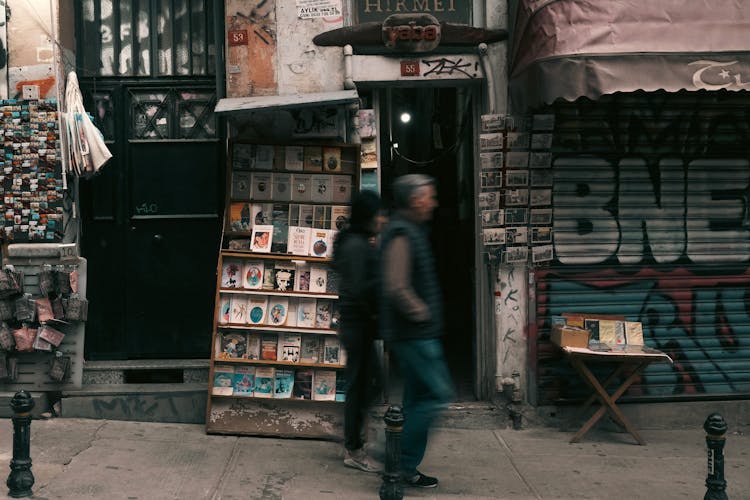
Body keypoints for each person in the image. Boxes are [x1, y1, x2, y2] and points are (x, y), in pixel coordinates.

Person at [380, 174, 455, 489]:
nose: (434, 202)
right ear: (414, 199)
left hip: (416, 333)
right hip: (415, 335)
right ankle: (396, 460)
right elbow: (396, 286)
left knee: (417, 399)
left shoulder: (410, 230)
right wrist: (420, 312)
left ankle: (404, 465)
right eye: (429, 196)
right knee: (437, 395)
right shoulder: (400, 233)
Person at [332, 189, 386, 473]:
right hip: (358, 324)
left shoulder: (357, 241)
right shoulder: (357, 245)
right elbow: (359, 287)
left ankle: (352, 435)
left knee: (366, 382)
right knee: (364, 383)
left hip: (357, 323)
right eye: (378, 214)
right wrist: (375, 311)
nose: (382, 219)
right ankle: (353, 445)